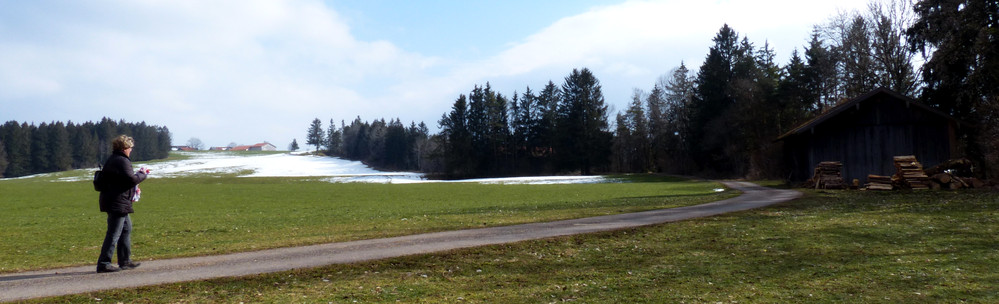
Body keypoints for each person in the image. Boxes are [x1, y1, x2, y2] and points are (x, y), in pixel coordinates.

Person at [96, 135, 149, 273]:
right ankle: (104, 263)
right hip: (117, 202)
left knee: (126, 229)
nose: (131, 150)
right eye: (130, 148)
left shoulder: (114, 159)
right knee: (114, 233)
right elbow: (131, 180)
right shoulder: (122, 161)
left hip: (115, 200)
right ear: (125, 147)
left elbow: (123, 180)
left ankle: (125, 261)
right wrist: (142, 174)